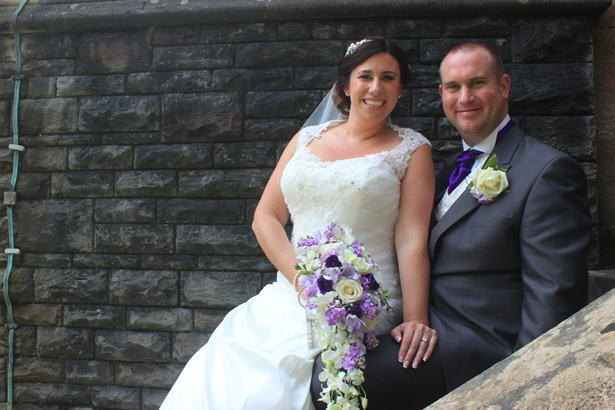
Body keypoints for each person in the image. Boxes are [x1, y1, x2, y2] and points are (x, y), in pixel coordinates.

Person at [159, 37, 437, 410]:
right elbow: (266, 217)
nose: (376, 87)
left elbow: (412, 238)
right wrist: (304, 284)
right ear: (345, 84)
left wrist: (417, 317)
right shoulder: (305, 139)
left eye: (388, 77)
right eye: (365, 76)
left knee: (265, 391)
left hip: (360, 302)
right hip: (290, 292)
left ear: (400, 88)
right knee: (223, 366)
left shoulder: (411, 149)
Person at [322, 42, 592, 409]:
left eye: (477, 83)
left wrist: (521, 383)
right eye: (453, 87)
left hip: (481, 350)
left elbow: (555, 297)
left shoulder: (547, 172)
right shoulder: (448, 171)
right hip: (425, 333)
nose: (465, 97)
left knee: (339, 383)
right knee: (326, 361)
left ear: (504, 86)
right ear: (442, 94)